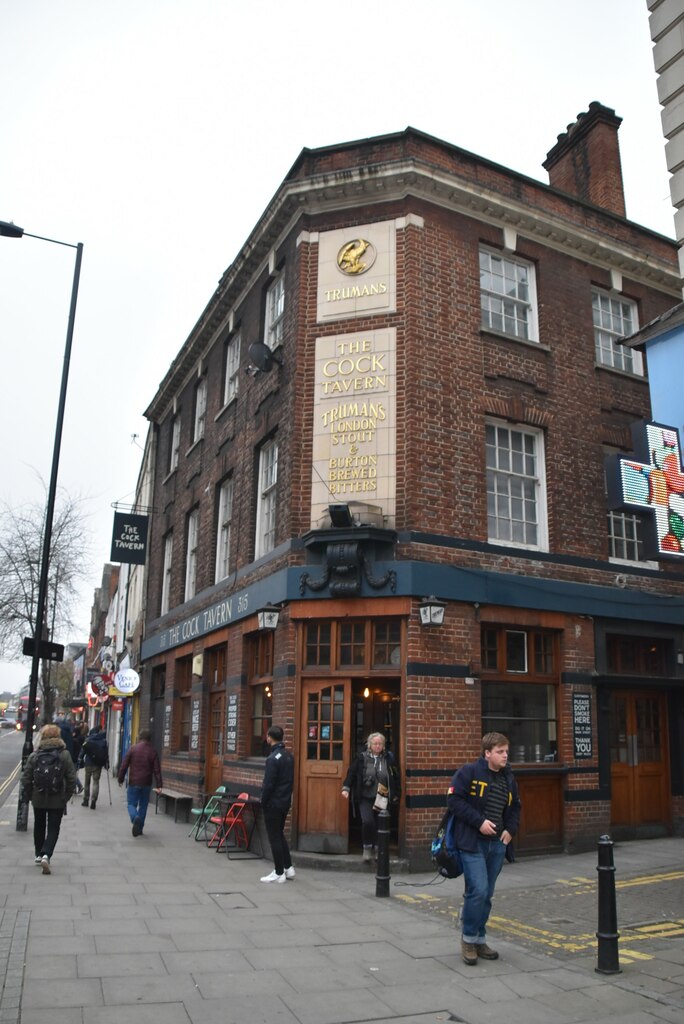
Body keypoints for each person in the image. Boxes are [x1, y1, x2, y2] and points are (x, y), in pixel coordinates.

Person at [447, 731, 521, 966]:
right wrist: (479, 821)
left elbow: (516, 807)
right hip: (472, 842)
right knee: (478, 890)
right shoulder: (469, 772)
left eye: (506, 751)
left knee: (486, 894)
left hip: (498, 844)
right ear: (487, 753)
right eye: (500, 752)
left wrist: (511, 829)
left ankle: (479, 939)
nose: (505, 756)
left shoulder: (509, 777)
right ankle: (468, 939)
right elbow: (454, 800)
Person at [21, 723, 76, 874]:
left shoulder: (35, 755)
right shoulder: (64, 755)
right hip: (57, 798)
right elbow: (71, 778)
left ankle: (39, 854)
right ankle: (47, 854)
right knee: (53, 828)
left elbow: (25, 778)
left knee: (39, 825)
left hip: (38, 797)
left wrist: (29, 795)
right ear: (58, 736)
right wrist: (66, 796)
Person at [341, 732, 400, 862]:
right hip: (365, 796)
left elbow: (395, 777)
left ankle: (379, 849)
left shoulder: (388, 759)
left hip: (382, 797)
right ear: (370, 744)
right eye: (375, 743)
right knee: (368, 822)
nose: (378, 746)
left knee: (381, 823)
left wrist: (395, 794)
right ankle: (367, 848)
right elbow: (351, 773)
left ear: (383, 745)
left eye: (380, 744)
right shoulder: (362, 758)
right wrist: (346, 788)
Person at [259, 725, 295, 883]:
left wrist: (263, 801)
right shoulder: (289, 756)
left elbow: (268, 784)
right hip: (285, 801)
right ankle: (288, 867)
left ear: (269, 737)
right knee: (280, 834)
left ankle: (279, 871)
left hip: (273, 803)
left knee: (274, 837)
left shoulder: (272, 759)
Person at [117, 729, 162, 836]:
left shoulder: (133, 749)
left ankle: (134, 817)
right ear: (149, 739)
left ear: (140, 737)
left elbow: (124, 765)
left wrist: (120, 779)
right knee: (143, 805)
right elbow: (157, 770)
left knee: (131, 804)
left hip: (134, 782)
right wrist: (159, 785)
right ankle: (139, 828)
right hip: (146, 783)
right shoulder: (152, 751)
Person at [79, 725, 109, 809]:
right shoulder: (103, 741)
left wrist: (80, 758)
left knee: (87, 782)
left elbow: (83, 751)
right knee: (96, 782)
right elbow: (105, 753)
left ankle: (85, 800)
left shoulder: (88, 739)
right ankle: (93, 800)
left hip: (88, 763)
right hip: (98, 764)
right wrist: (107, 763)